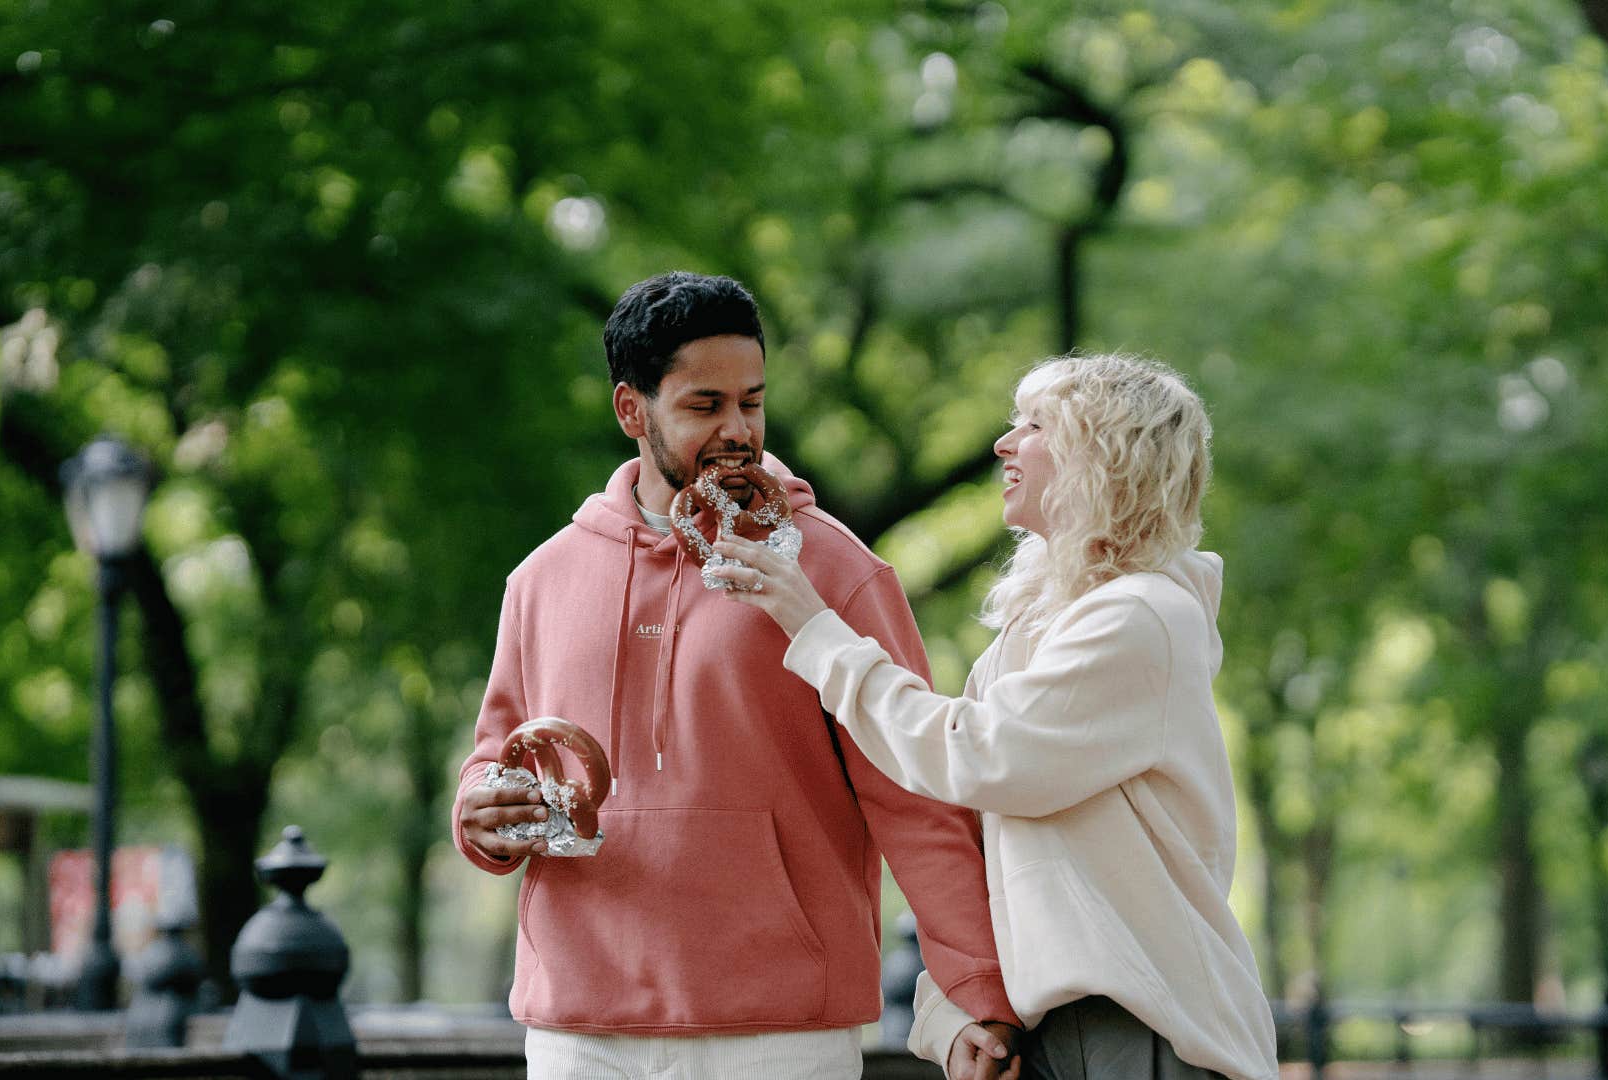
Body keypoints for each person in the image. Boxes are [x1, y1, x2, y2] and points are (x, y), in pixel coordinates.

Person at [451, 271, 1021, 1080]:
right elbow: (496, 759)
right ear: (630, 410)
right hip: (580, 1027)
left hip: (781, 1029)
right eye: (704, 405)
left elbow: (915, 795)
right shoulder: (541, 580)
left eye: (751, 401)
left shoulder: (835, 569)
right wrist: (477, 818)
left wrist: (977, 992)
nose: (737, 429)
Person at [710, 354, 1282, 1080]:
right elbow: (964, 831)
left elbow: (978, 757)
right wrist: (948, 1008)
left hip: (1144, 1028)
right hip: (1051, 1033)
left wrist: (815, 627)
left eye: (1035, 426)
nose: (1002, 445)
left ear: (1105, 453)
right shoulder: (1034, 632)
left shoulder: (1144, 616)